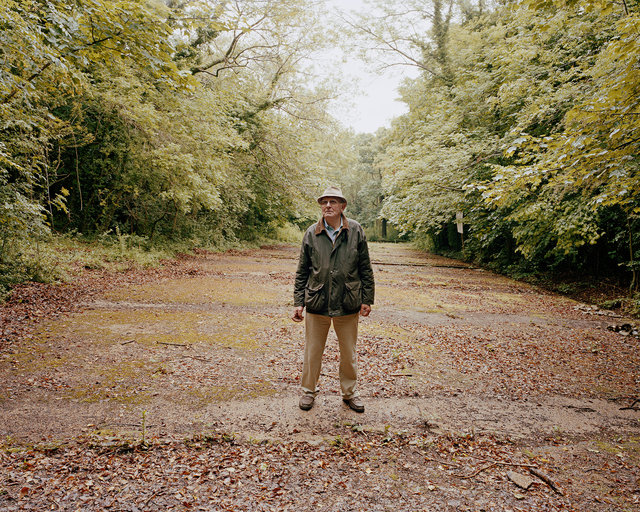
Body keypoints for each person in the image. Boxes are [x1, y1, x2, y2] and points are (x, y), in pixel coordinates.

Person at [292, 186, 375, 412]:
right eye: (324, 202)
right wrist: (299, 301)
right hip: (317, 301)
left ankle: (350, 393)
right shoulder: (312, 232)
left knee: (349, 353)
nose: (327, 205)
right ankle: (308, 392)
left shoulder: (356, 231)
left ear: (342, 206)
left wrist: (367, 298)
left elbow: (365, 267)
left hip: (348, 301)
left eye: (333, 202)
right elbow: (302, 271)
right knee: (312, 352)